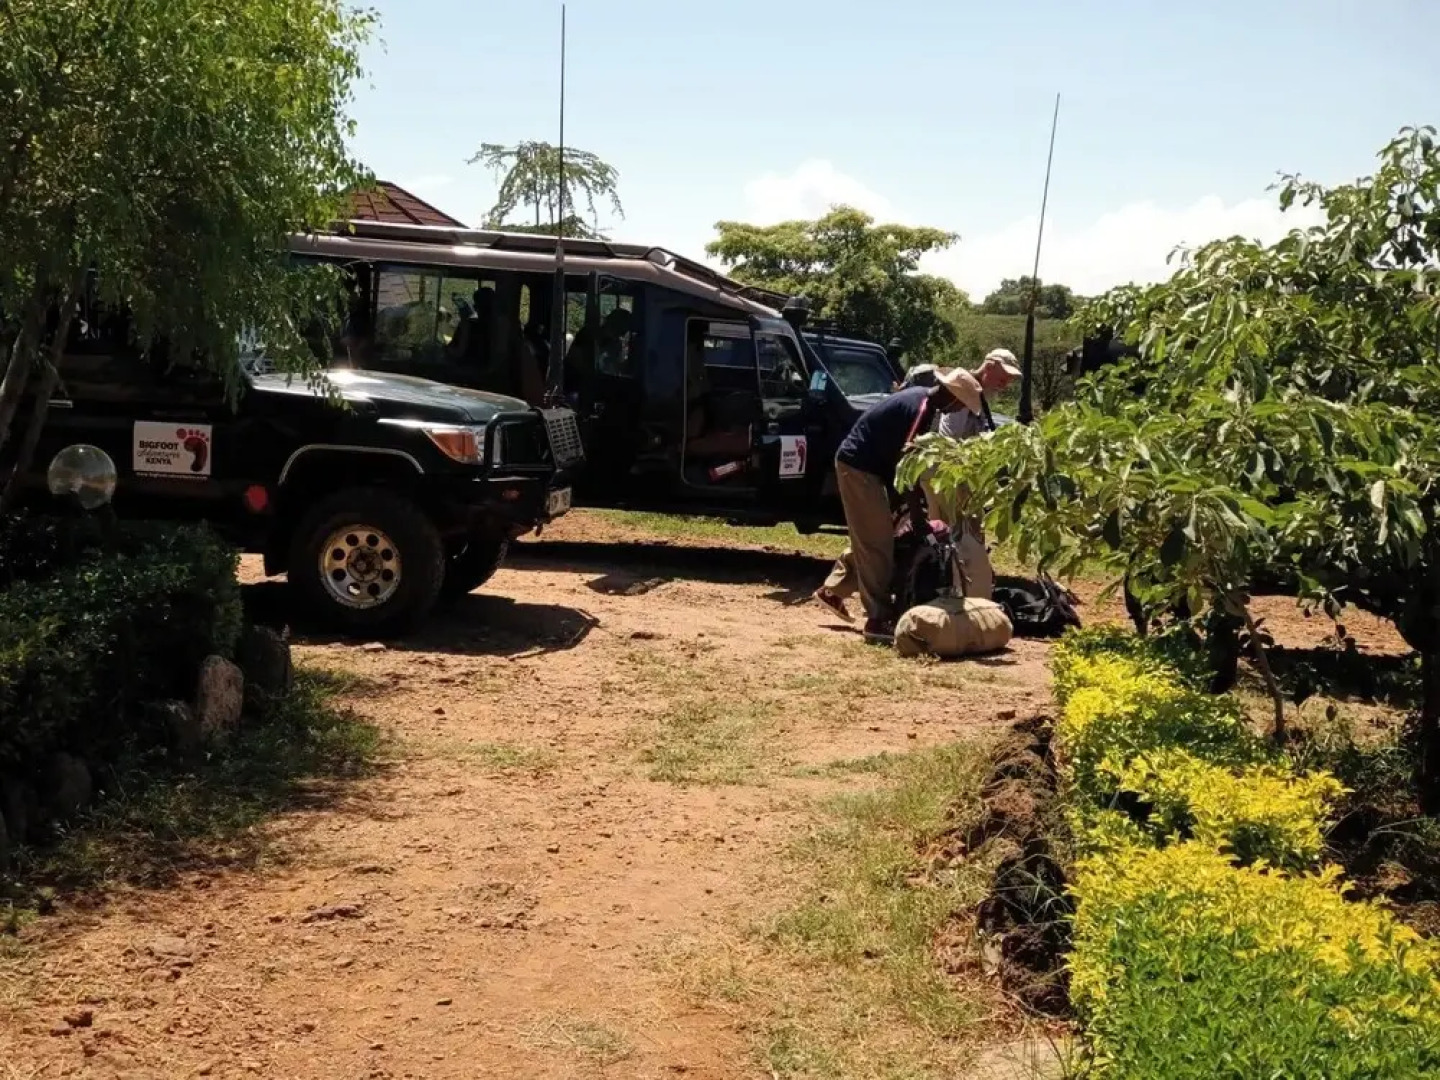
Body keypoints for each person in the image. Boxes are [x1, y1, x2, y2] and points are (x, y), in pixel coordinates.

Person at [818, 349, 1021, 625]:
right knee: (876, 544)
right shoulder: (922, 408)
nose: (959, 410)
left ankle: (835, 590)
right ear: (953, 397)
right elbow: (908, 461)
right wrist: (916, 513)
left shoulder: (927, 404)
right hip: (860, 467)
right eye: (961, 405)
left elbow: (905, 464)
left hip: (879, 470)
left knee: (881, 534)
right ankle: (878, 618)